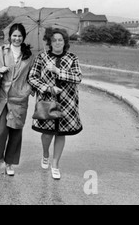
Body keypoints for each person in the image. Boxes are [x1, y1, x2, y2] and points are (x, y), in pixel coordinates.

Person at [0, 23, 34, 176]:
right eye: (14, 35)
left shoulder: (29, 55)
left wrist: (26, 91)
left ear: (23, 37)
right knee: (0, 131)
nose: (17, 38)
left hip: (19, 99)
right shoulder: (2, 51)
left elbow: (33, 76)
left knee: (15, 132)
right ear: (10, 36)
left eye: (20, 36)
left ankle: (9, 164)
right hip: (1, 97)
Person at [28, 27, 82, 180]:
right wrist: (48, 88)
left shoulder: (72, 58)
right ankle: (45, 153)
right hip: (47, 102)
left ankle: (55, 164)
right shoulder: (42, 57)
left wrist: (58, 71)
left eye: (60, 40)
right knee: (47, 133)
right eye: (54, 40)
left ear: (65, 42)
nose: (57, 43)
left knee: (61, 133)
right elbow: (32, 78)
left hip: (67, 103)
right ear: (50, 42)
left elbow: (78, 78)